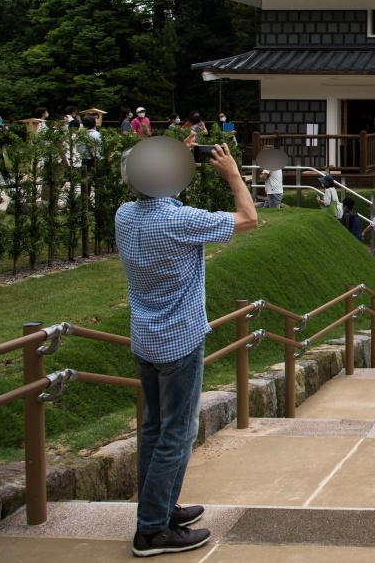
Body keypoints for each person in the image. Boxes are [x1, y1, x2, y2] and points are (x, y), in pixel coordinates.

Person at [116, 132, 257, 556]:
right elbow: (248, 218)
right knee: (179, 433)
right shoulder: (180, 221)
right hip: (179, 341)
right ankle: (152, 531)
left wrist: (173, 159)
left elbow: (159, 195)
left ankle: (159, 509)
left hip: (145, 337)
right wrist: (232, 174)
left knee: (154, 429)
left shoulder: (125, 214)